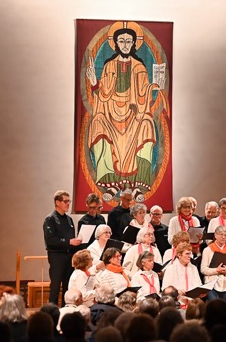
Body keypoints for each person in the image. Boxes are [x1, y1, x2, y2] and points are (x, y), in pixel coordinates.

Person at [85, 23, 169, 194]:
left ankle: (140, 183)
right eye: (121, 41)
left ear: (133, 44)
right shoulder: (109, 66)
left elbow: (144, 96)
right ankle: (108, 179)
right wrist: (94, 83)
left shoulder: (139, 67)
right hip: (110, 114)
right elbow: (103, 96)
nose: (124, 45)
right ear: (115, 43)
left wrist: (154, 87)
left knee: (147, 124)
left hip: (135, 116)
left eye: (128, 41)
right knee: (98, 122)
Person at [43, 190, 82, 305]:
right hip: (56, 256)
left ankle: (66, 308)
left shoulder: (69, 219)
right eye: (65, 201)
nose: (68, 204)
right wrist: (69, 241)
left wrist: (77, 243)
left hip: (69, 256)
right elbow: (50, 240)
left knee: (68, 285)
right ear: (57, 202)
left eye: (69, 201)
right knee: (55, 285)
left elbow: (71, 238)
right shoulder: (50, 219)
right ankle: (52, 310)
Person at [200, 225, 226, 301]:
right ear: (215, 235)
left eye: (225, 235)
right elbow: (203, 269)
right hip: (212, 285)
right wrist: (217, 270)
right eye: (221, 234)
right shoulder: (208, 250)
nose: (223, 237)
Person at [162, 242, 203, 306]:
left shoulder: (193, 268)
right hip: (178, 303)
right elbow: (165, 289)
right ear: (179, 255)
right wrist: (176, 292)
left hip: (193, 304)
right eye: (187, 254)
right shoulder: (171, 269)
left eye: (190, 254)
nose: (189, 256)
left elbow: (199, 284)